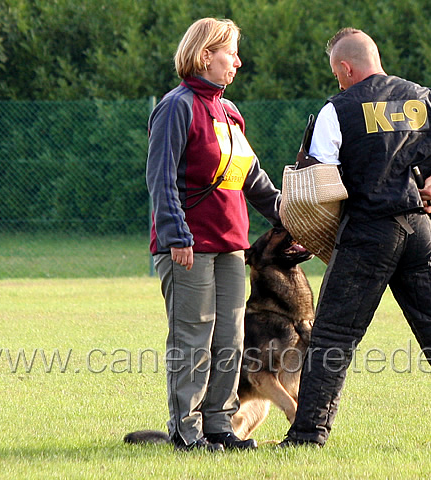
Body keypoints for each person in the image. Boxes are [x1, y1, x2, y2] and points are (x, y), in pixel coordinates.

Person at [279, 28, 431, 448]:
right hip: (421, 230)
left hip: (367, 234)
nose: (337, 81)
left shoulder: (338, 108)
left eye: (336, 73)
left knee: (333, 335)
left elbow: (319, 183)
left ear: (346, 67)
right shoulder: (427, 98)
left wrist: (321, 233)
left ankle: (308, 435)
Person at [146, 18, 282, 452]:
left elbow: (254, 181)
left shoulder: (229, 112)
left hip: (231, 245)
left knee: (230, 338)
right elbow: (160, 177)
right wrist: (175, 235)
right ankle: (187, 432)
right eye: (231, 53)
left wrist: (293, 216)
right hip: (189, 245)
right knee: (193, 337)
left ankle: (219, 425)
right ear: (206, 56)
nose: (238, 62)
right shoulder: (177, 106)